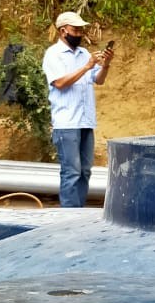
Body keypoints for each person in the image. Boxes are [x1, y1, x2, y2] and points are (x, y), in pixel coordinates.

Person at [42, 11, 113, 207]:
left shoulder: (84, 54)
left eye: (81, 30)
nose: (80, 33)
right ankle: (69, 214)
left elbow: (98, 80)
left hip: (85, 121)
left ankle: (78, 210)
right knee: (71, 171)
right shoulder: (53, 55)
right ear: (63, 31)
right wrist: (87, 66)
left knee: (85, 171)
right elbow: (60, 83)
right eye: (75, 30)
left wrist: (105, 64)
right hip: (66, 122)